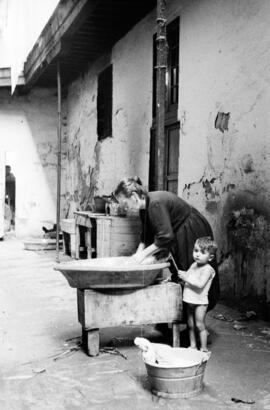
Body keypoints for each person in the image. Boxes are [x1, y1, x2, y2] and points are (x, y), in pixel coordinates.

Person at [113, 177, 220, 312]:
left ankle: (194, 322)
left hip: (191, 228)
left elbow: (165, 237)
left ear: (134, 196)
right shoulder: (143, 208)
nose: (124, 207)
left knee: (191, 272)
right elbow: (146, 237)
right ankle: (178, 317)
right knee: (179, 273)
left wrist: (141, 257)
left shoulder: (154, 203)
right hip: (179, 230)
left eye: (124, 203)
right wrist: (136, 257)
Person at [178, 237, 217, 352]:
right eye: (196, 250)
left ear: (210, 257)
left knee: (199, 325)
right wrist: (184, 275)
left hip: (200, 303)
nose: (197, 255)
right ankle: (193, 346)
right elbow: (190, 277)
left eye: (202, 252)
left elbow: (200, 284)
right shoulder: (194, 265)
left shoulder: (208, 270)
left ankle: (203, 348)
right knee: (190, 325)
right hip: (189, 300)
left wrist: (186, 278)